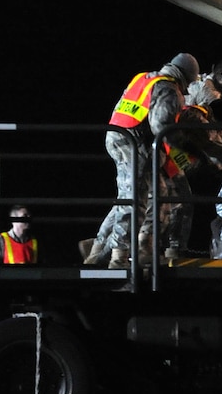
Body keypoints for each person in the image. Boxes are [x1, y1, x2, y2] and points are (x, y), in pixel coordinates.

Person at [86, 53, 201, 270]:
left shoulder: (144, 78)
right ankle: (118, 258)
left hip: (118, 138)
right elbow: (162, 127)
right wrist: (186, 147)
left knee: (157, 195)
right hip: (136, 144)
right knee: (135, 202)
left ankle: (122, 249)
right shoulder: (168, 89)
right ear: (186, 77)